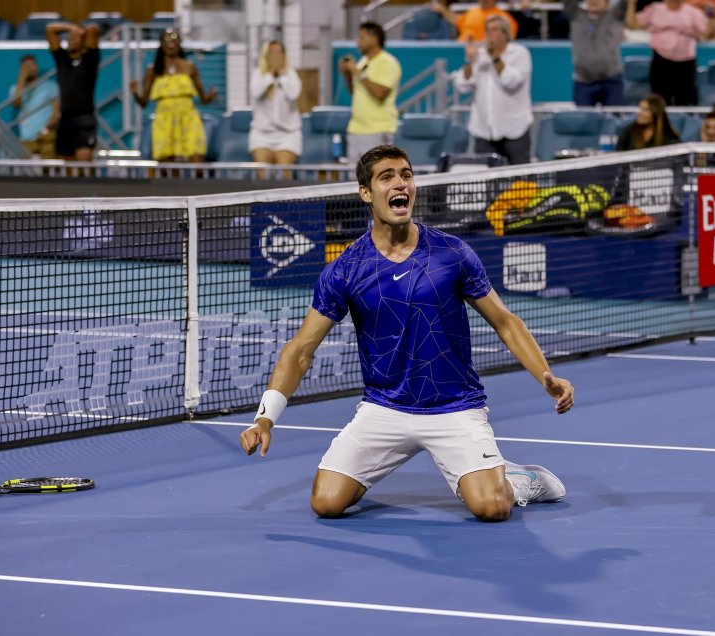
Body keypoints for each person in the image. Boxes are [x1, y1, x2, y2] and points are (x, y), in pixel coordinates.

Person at [239, 144, 574, 521]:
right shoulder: (347, 268)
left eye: (407, 175)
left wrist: (546, 375)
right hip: (385, 408)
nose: (401, 183)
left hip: (454, 407)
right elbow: (301, 348)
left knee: (492, 507)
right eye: (387, 177)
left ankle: (518, 480)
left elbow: (505, 322)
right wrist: (265, 418)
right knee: (327, 502)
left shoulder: (452, 253)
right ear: (366, 192)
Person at [452, 16, 532, 165]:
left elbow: (511, 82)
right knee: (486, 183)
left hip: (514, 129)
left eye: (494, 30)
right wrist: (469, 60)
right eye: (487, 30)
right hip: (484, 130)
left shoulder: (520, 54)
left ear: (505, 34)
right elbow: (463, 85)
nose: (490, 34)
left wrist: (494, 57)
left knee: (521, 182)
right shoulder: (480, 55)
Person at [131, 28, 217, 162]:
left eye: (174, 37)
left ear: (179, 42)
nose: (171, 41)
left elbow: (203, 99)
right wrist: (135, 93)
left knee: (197, 157)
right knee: (166, 165)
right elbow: (144, 102)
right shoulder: (153, 70)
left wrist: (211, 96)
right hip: (164, 120)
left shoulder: (190, 67)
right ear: (161, 43)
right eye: (167, 38)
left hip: (188, 118)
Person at [339, 22, 402, 165]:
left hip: (378, 131)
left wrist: (357, 72)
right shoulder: (363, 62)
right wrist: (348, 75)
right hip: (356, 130)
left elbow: (381, 94)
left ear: (374, 39)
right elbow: (355, 91)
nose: (358, 42)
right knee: (355, 181)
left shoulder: (388, 63)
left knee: (377, 178)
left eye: (361, 37)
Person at [625, 0, 709, 106]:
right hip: (661, 62)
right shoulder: (655, 10)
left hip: (686, 64)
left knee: (686, 101)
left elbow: (707, 32)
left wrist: (710, 12)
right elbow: (632, 24)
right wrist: (631, 4)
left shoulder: (693, 13)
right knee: (660, 101)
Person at [46, 21, 100, 162]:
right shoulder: (62, 60)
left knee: (84, 164)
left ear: (83, 40)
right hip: (65, 120)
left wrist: (81, 30)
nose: (72, 40)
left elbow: (93, 29)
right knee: (67, 167)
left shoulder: (90, 61)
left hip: (85, 120)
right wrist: (72, 28)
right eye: (70, 37)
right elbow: (50, 29)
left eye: (76, 37)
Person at [249, 40, 302, 177]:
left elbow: (293, 94)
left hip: (287, 134)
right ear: (265, 55)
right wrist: (271, 74)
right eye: (271, 52)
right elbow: (256, 92)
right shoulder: (258, 74)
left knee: (284, 174)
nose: (275, 55)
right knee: (263, 174)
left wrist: (281, 76)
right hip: (261, 134)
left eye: (279, 52)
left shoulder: (291, 75)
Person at [564, 0, 628, 107]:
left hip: (611, 81)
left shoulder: (615, 14)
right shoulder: (575, 14)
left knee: (614, 120)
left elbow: (626, 3)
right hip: (583, 82)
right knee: (584, 121)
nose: (594, 1)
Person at [9, 54, 60, 159]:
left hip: (47, 137)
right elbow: (16, 103)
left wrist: (46, 130)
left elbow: (56, 112)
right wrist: (22, 76)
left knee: (50, 165)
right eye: (26, 66)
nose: (30, 68)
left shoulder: (50, 86)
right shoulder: (15, 88)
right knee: (24, 166)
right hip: (27, 138)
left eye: (32, 65)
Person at [615, 93, 680, 150]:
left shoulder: (670, 139)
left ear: (655, 113)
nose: (640, 113)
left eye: (645, 110)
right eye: (640, 108)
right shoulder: (629, 132)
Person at [430, 0, 520, 41]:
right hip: (460, 50)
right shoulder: (472, 12)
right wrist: (443, 10)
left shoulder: (504, 17)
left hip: (484, 55)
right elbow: (457, 21)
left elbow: (509, 41)